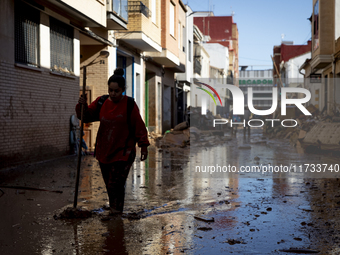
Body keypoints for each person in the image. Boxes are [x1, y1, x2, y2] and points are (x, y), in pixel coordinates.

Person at [76, 68, 150, 216]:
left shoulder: (129, 104)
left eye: (116, 91)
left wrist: (143, 145)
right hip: (105, 150)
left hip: (123, 151)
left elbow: (138, 125)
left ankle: (116, 213)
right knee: (109, 184)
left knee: (115, 183)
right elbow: (86, 116)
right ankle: (115, 209)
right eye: (111, 90)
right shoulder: (102, 102)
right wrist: (82, 106)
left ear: (122, 90)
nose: (113, 94)